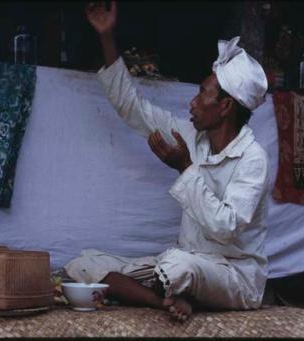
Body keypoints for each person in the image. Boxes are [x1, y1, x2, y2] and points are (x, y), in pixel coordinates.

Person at [65, 1, 269, 321]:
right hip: (186, 265)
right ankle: (164, 301)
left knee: (178, 266)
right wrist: (106, 37)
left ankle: (171, 292)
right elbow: (134, 108)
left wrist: (185, 169)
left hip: (234, 276)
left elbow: (226, 229)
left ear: (226, 106)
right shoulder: (191, 136)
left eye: (203, 94)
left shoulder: (253, 159)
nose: (193, 101)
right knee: (86, 264)